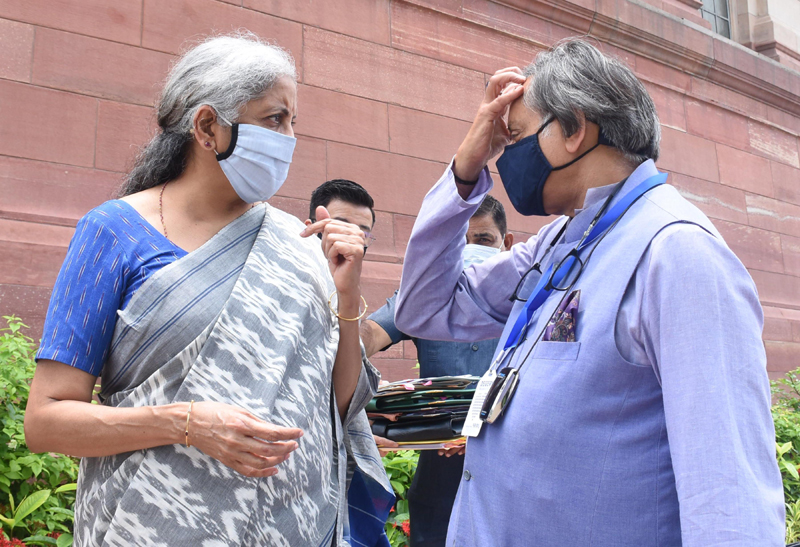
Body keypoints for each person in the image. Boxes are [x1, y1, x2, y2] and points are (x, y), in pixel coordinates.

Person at [394, 38, 784, 546]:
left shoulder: (677, 253)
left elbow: (728, 496)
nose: (505, 154)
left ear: (574, 129)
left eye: (514, 138)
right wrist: (466, 170)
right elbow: (425, 307)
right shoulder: (561, 241)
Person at [24, 33, 391, 547]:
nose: (288, 137)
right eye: (273, 119)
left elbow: (337, 405)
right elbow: (45, 421)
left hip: (290, 529)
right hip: (147, 528)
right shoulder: (115, 232)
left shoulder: (297, 242)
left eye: (293, 122)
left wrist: (347, 298)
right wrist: (186, 424)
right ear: (207, 127)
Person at [361, 194, 513, 547]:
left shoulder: (531, 306)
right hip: (438, 500)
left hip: (506, 491)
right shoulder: (423, 299)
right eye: (460, 242)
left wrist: (480, 430)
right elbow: (365, 338)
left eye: (483, 240)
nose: (470, 250)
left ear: (506, 244)